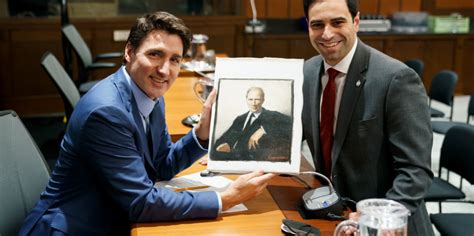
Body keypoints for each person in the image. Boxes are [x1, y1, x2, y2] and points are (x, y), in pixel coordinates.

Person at [20, 12, 274, 235]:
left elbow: (160, 166)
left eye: (175, 60)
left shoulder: (149, 93)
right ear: (129, 52)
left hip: (111, 216)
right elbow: (140, 203)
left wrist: (201, 134)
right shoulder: (107, 112)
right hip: (75, 228)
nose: (165, 70)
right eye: (155, 55)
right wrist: (225, 199)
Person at [301, 0, 434, 235]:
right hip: (335, 217)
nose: (327, 33)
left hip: (388, 226)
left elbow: (415, 171)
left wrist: (376, 219)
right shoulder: (308, 71)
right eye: (317, 25)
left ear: (356, 22)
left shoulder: (397, 79)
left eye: (337, 22)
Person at [211, 87, 292, 162]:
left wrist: (263, 130)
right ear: (246, 99)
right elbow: (225, 137)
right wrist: (226, 144)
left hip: (253, 161)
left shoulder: (272, 115)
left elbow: (290, 124)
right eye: (250, 99)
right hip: (232, 159)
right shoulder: (240, 118)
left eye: (257, 99)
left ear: (263, 100)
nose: (253, 103)